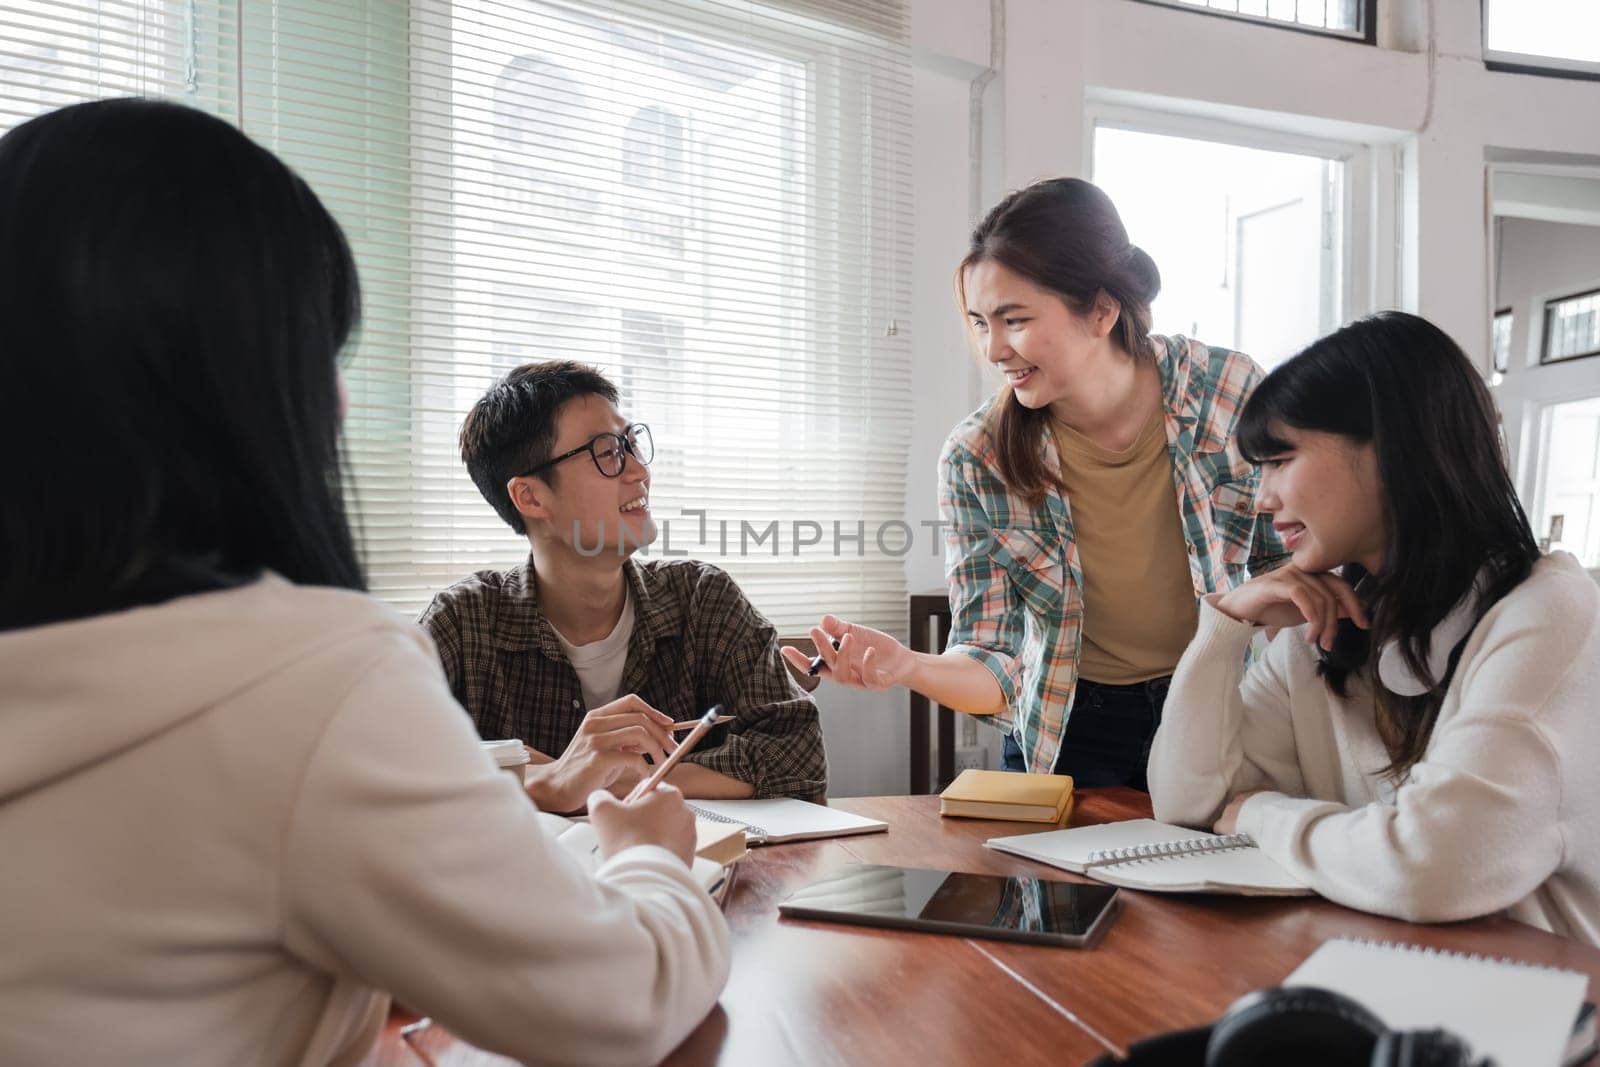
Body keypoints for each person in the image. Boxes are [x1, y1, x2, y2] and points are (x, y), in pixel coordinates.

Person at [0, 98, 729, 1065]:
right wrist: (645, 853)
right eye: (314, 351)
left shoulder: (704, 594)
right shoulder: (324, 672)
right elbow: (619, 1002)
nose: (338, 399)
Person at [783, 178, 1287, 788]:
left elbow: (1290, 567)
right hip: (1071, 731)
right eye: (979, 323)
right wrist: (907, 666)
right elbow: (992, 658)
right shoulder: (977, 458)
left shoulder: (1228, 392)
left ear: (1101, 310)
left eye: (1014, 320)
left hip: (1224, 707)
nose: (993, 349)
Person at [1147, 311, 1600, 943]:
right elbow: (1188, 804)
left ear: (1390, 448)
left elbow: (1433, 866)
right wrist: (1226, 629)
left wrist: (1260, 813)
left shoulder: (1550, 612)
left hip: (1545, 1002)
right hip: (1384, 967)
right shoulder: (1328, 619)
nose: (1262, 498)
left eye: (1280, 460)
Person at [420, 360, 828, 809]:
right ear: (531, 497)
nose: (639, 471)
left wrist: (615, 778)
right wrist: (551, 781)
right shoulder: (463, 622)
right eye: (607, 452)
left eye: (631, 444)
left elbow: (799, 756)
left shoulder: (702, 598)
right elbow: (387, 774)